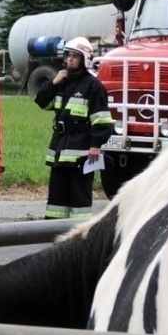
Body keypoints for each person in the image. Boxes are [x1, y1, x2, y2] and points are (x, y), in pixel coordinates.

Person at [34, 37, 114, 220]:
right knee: (56, 199)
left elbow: (102, 120)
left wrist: (96, 145)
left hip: (81, 152)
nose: (70, 59)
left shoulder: (94, 86)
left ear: (84, 59)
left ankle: (78, 236)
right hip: (60, 150)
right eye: (68, 55)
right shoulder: (61, 81)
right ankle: (52, 232)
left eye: (75, 56)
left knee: (79, 199)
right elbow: (41, 101)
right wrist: (53, 82)